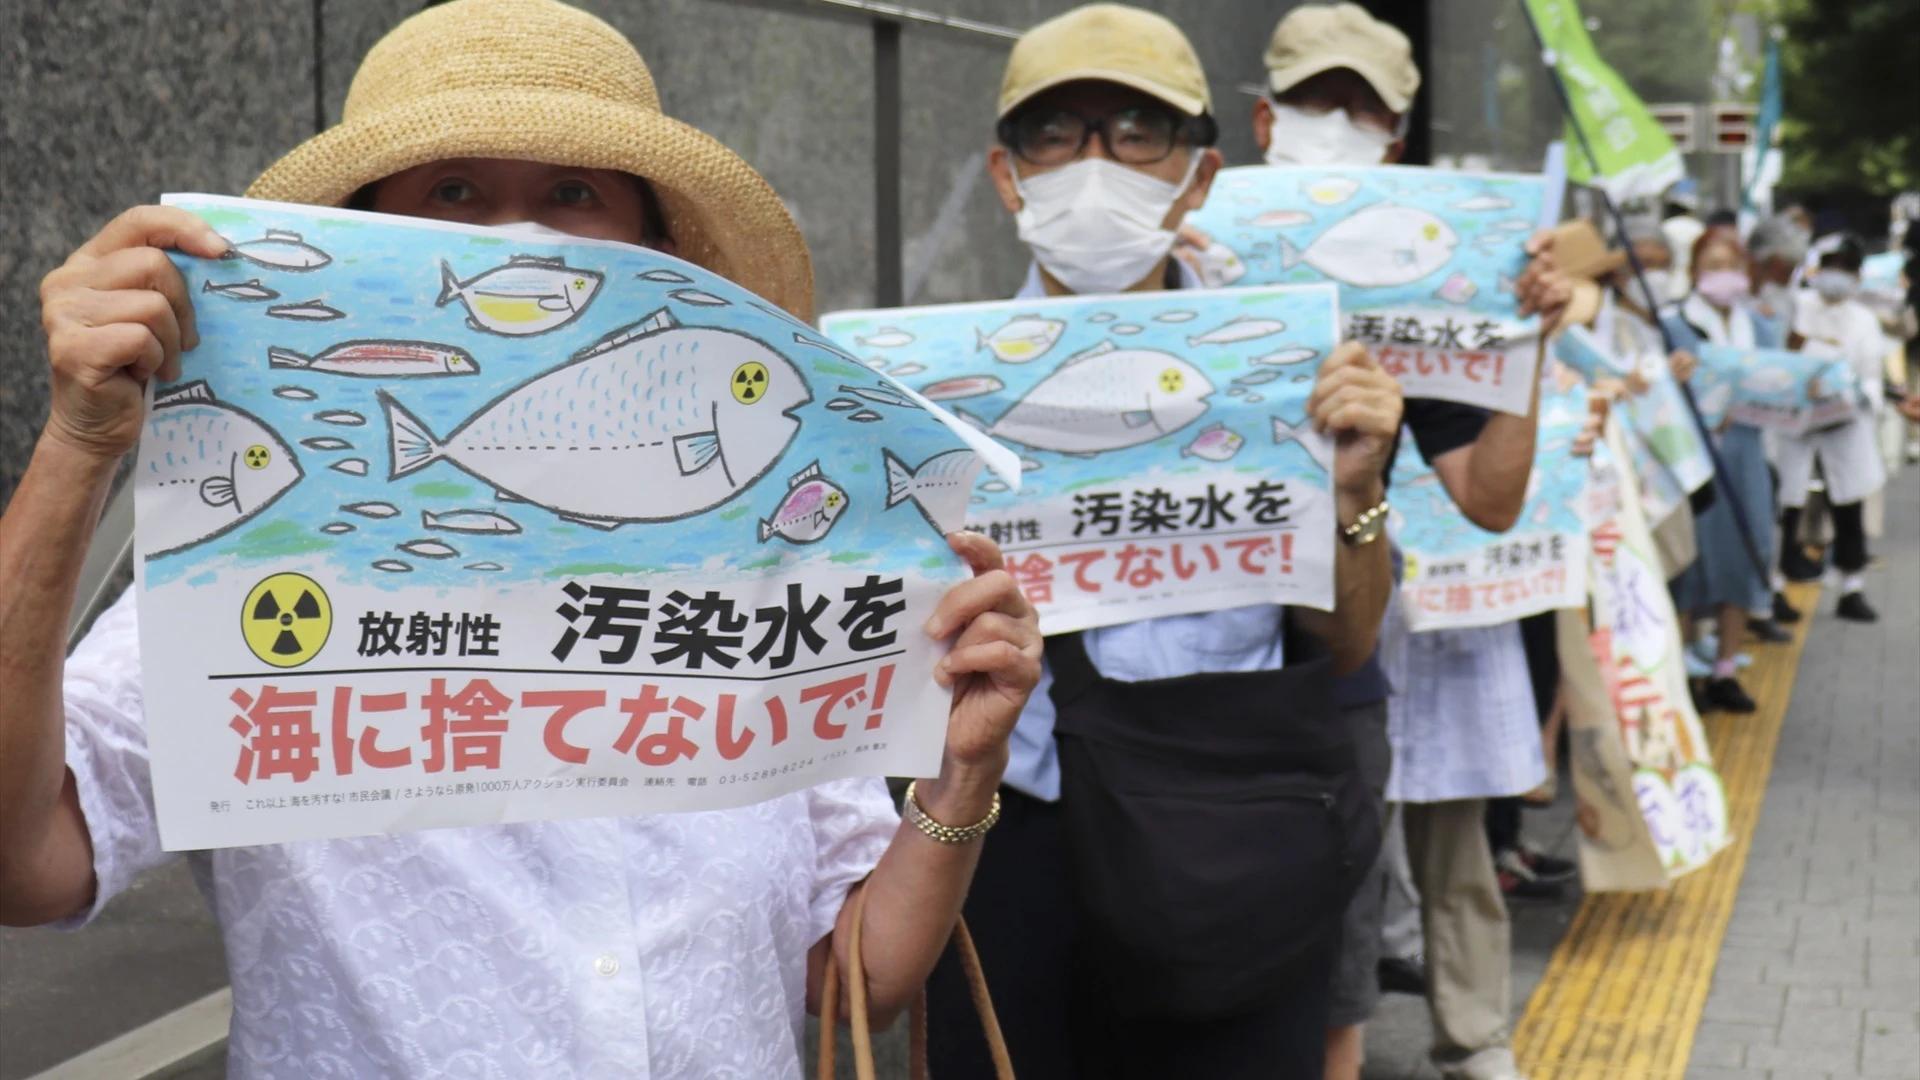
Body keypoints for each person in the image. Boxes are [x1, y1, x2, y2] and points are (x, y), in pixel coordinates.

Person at [0, 4, 1047, 1077]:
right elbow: (23, 862)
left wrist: (960, 776)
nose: (518, 239)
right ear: (362, 235)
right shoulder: (253, 573)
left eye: (573, 195)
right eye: (452, 193)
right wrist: (79, 445)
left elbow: (854, 980)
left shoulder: (764, 583)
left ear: (652, 250)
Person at [922, 7, 1409, 1077]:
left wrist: (1353, 497)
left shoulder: (1288, 369)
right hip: (1009, 829)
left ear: (1199, 176)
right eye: (1057, 135)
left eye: (1136, 132)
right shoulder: (929, 391)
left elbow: (1349, 644)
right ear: (1008, 177)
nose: (1094, 165)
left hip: (1228, 828)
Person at [1235, 7, 1573, 1079]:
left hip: (1333, 663)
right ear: (1260, 121)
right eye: (1312, 103)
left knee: (1333, 949)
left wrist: (1522, 346)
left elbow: (1489, 497)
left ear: (1396, 139)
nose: (1334, 125)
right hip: (1162, 684)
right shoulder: (1179, 269)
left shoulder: (1422, 306)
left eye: (1363, 108)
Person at [1665, 229, 1781, 710]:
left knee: (1739, 554)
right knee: (1689, 565)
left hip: (1746, 457)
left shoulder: (1759, 326)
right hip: (1690, 460)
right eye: (1711, 266)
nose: (1722, 276)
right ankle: (1683, 673)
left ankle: (1725, 669)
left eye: (1730, 265)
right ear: (1693, 271)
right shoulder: (1671, 325)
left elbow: (1780, 386)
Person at [1779, 238, 1889, 621]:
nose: (1837, 275)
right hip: (1793, 422)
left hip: (1844, 425)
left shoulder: (1863, 320)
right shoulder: (1795, 308)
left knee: (1848, 505)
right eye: (1832, 265)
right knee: (1786, 503)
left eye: (1847, 268)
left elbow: (1871, 376)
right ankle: (1776, 585)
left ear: (1857, 277)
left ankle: (1851, 587)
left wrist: (1856, 398)